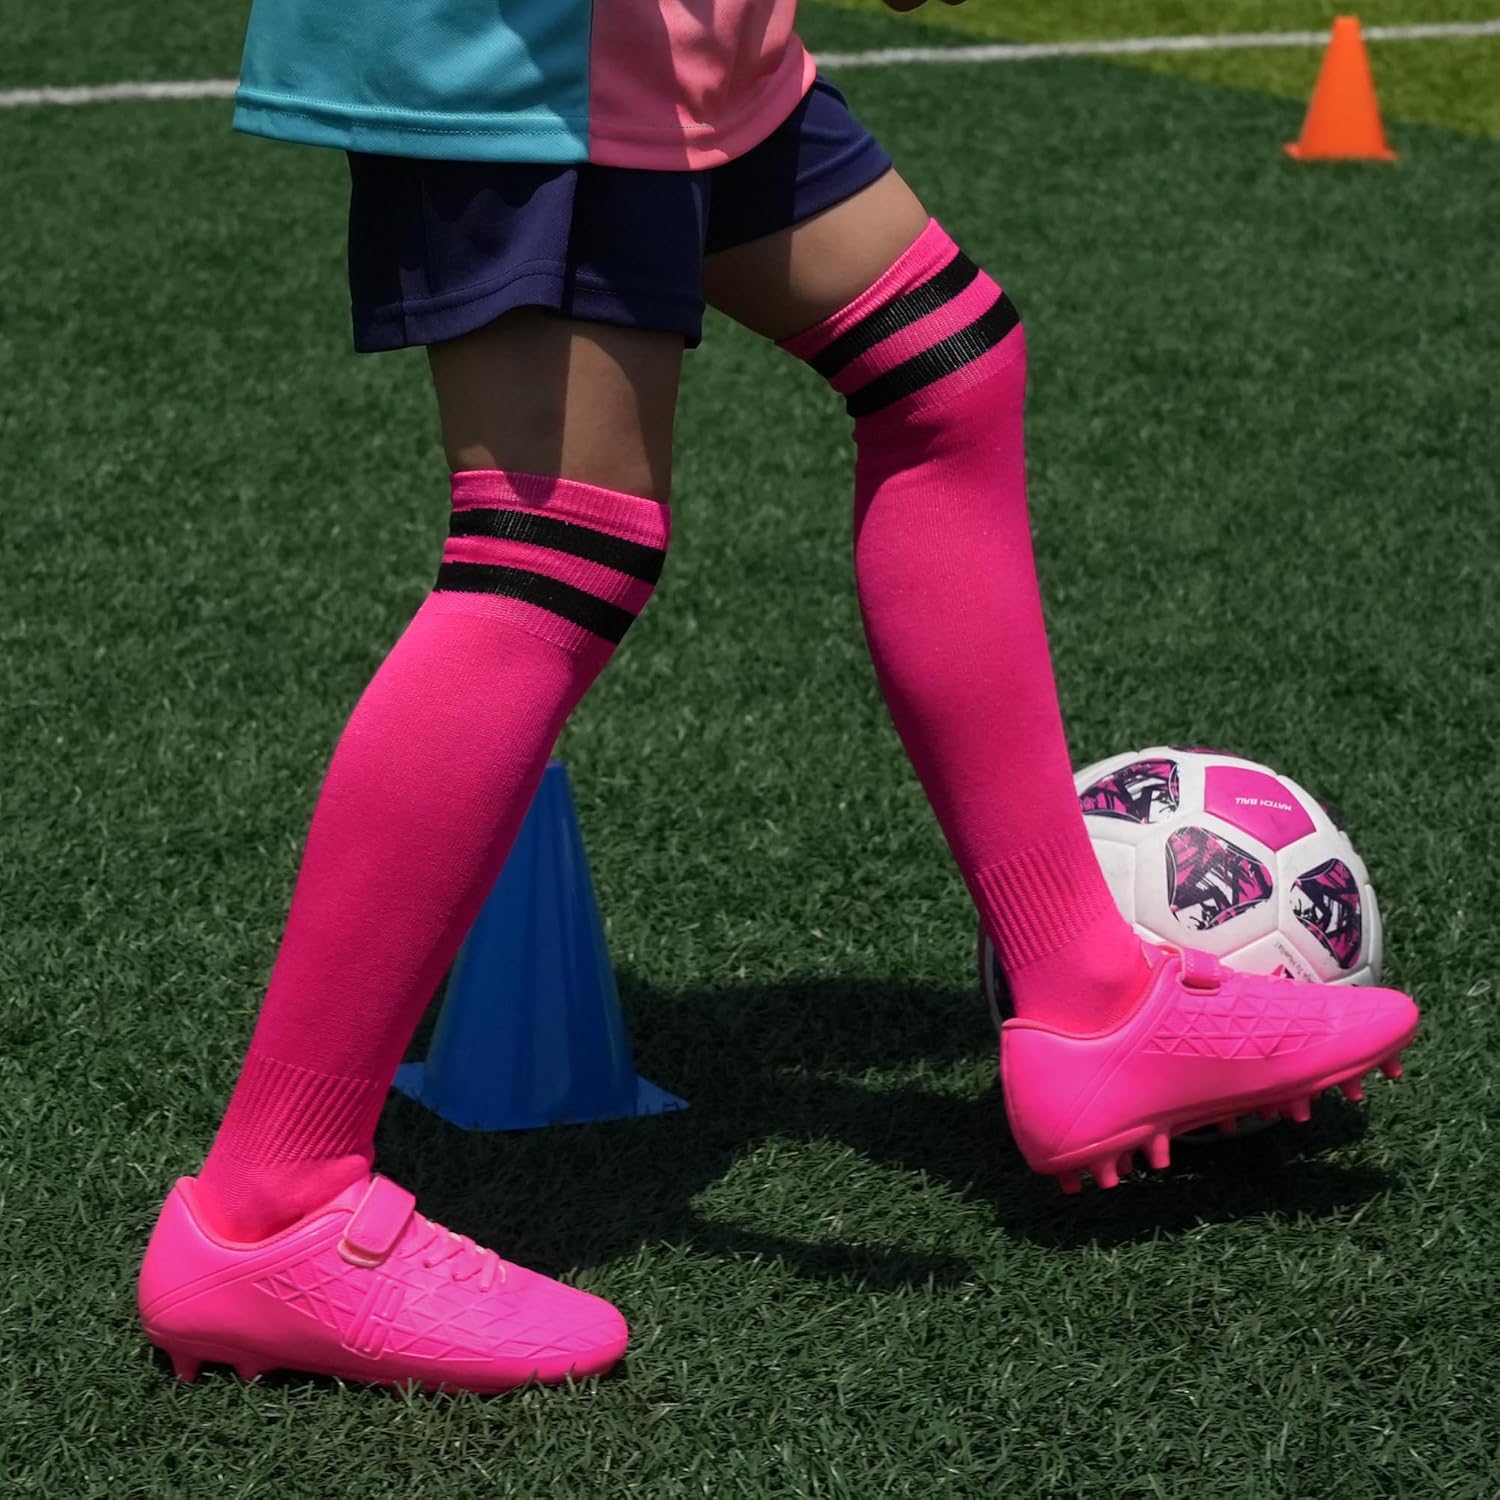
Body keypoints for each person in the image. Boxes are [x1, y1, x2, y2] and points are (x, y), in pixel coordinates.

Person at [136, 0, 1419, 1396]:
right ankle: (270, 1207)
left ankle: (1093, 1001)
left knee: (946, 369)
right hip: (555, 46)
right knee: (554, 544)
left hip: (682, 41)